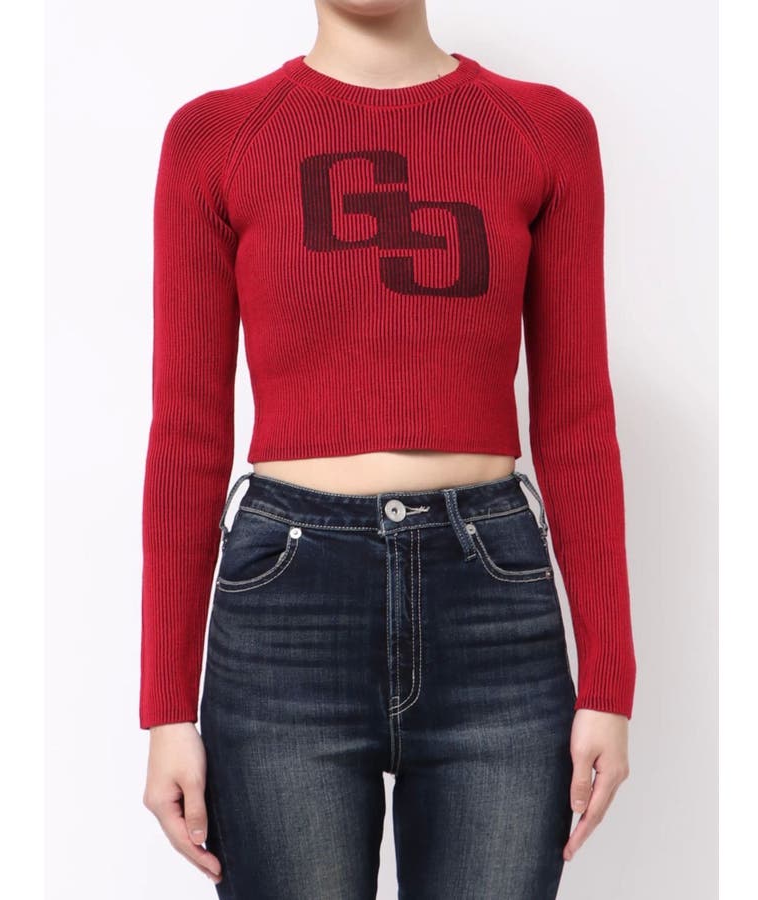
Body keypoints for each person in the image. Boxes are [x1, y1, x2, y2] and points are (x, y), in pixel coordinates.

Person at [139, 2, 636, 897]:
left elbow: (576, 420)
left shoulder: (545, 130)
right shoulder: (214, 137)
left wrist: (609, 681)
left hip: (493, 607)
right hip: (284, 612)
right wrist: (167, 708)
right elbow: (187, 432)